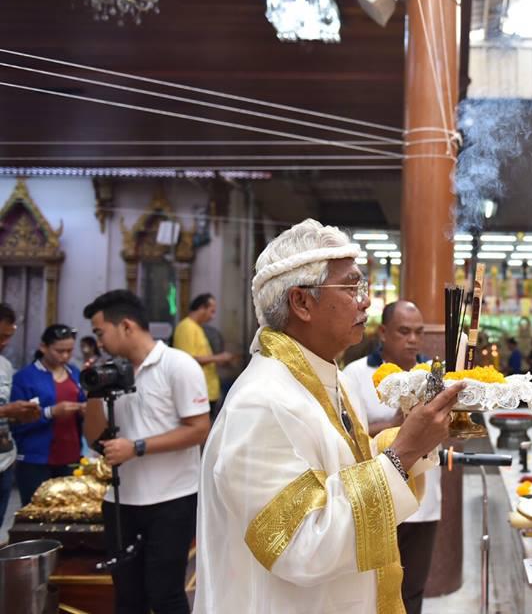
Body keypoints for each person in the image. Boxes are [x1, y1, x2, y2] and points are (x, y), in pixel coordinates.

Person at [194, 219, 465, 614]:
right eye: (352, 287)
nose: (365, 301)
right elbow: (302, 544)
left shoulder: (323, 375)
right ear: (302, 302)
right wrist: (402, 454)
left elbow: (342, 471)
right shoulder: (261, 403)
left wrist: (412, 438)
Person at [82, 290, 211, 614]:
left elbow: (198, 430)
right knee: (127, 597)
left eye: (101, 333)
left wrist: (136, 448)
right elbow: (95, 438)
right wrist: (95, 391)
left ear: (125, 326)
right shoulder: (112, 372)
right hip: (121, 501)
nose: (99, 342)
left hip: (171, 500)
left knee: (165, 594)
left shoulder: (177, 365)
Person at [341, 300, 440, 614]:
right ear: (384, 332)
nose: (413, 339)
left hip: (425, 503)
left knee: (413, 591)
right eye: (404, 331)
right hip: (376, 496)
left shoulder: (435, 375)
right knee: (373, 590)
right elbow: (349, 435)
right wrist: (401, 424)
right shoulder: (355, 374)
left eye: (418, 332)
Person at [11, 325, 85, 506]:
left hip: (70, 455)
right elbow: (16, 421)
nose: (65, 356)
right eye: (59, 351)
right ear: (43, 347)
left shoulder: (74, 374)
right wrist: (50, 412)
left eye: (69, 351)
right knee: (35, 511)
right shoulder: (25, 377)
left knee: (69, 512)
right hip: (35, 457)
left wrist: (85, 409)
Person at [0, 304, 40, 530]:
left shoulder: (4, 366)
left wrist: (21, 415)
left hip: (4, 461)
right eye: (1, 336)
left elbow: (5, 412)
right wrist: (7, 411)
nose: (4, 343)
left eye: (8, 337)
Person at [173, 293, 234, 418]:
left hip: (206, 390)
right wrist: (219, 357)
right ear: (201, 308)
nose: (213, 316)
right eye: (211, 311)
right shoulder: (186, 327)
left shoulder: (197, 328)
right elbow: (189, 358)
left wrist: (219, 360)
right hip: (197, 392)